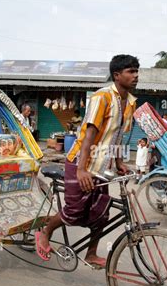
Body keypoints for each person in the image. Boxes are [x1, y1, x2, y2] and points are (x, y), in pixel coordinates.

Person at [35, 54, 139, 268]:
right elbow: (89, 133)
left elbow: (117, 134)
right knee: (74, 210)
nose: (136, 76)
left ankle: (91, 254)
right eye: (131, 71)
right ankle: (45, 232)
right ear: (117, 75)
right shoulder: (102, 97)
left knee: (101, 213)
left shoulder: (129, 102)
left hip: (102, 167)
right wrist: (81, 170)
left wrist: (119, 162)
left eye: (137, 71)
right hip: (80, 162)